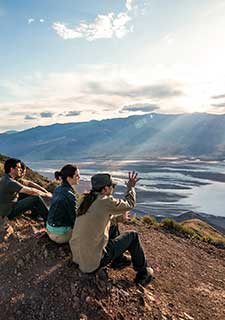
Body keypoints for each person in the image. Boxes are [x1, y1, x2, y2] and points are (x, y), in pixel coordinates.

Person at [69, 171, 153, 286]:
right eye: (112, 186)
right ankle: (143, 274)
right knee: (133, 236)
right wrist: (130, 187)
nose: (113, 188)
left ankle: (118, 260)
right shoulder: (105, 201)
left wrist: (118, 219)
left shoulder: (86, 199)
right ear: (104, 189)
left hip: (78, 257)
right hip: (93, 263)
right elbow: (130, 203)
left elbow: (100, 218)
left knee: (113, 226)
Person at [0, 158, 52, 222]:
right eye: (18, 167)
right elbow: (31, 191)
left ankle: (35, 214)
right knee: (36, 198)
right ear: (12, 169)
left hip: (5, 208)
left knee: (25, 194)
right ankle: (50, 221)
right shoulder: (10, 182)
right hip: (9, 212)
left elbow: (29, 183)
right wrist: (46, 194)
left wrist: (45, 191)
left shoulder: (5, 178)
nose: (20, 169)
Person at [46, 164, 80, 244]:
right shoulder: (69, 194)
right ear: (69, 178)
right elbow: (73, 218)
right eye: (77, 176)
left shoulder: (58, 188)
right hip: (60, 236)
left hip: (49, 229)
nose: (79, 178)